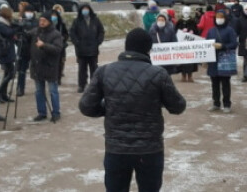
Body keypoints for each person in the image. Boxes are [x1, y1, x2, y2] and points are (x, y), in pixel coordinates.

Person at [79, 28, 186, 192]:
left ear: (126, 46)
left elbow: (86, 106)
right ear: (148, 49)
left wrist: (107, 108)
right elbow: (178, 106)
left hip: (116, 148)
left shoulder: (104, 71)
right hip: (150, 149)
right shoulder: (158, 74)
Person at [29, 13, 64, 123]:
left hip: (50, 66)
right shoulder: (36, 32)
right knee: (39, 91)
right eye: (40, 20)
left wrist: (44, 45)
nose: (41, 22)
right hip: (37, 65)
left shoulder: (56, 34)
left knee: (53, 91)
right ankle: (42, 112)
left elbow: (57, 49)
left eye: (44, 20)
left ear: (49, 21)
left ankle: (56, 112)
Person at [205, 11, 238, 113]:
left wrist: (223, 46)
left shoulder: (230, 30)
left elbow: (234, 44)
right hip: (213, 61)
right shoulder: (211, 31)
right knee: (214, 84)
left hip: (224, 60)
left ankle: (227, 104)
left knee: (225, 84)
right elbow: (206, 45)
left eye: (221, 17)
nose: (219, 19)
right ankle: (216, 103)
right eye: (217, 17)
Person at [70, 5, 104, 93]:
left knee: (94, 68)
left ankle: (94, 85)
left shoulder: (95, 20)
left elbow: (101, 31)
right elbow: (72, 33)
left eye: (87, 9)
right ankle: (82, 85)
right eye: (83, 9)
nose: (85, 11)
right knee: (82, 69)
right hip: (81, 50)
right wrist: (77, 42)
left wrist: (98, 41)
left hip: (93, 49)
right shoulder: (77, 21)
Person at [0, 6, 18, 103]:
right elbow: (8, 33)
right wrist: (16, 27)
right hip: (5, 51)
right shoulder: (0, 23)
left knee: (7, 73)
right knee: (11, 73)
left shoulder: (6, 23)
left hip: (8, 50)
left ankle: (3, 94)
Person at [14, 4, 38, 97]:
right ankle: (20, 88)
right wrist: (19, 41)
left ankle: (40, 87)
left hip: (34, 48)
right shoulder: (20, 21)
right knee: (21, 70)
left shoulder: (36, 22)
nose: (29, 13)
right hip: (23, 48)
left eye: (31, 12)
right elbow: (16, 34)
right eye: (28, 11)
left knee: (37, 69)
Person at [176, 7, 201, 82]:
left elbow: (196, 31)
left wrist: (192, 31)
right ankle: (183, 76)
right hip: (181, 45)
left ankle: (190, 76)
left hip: (190, 45)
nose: (186, 14)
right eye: (185, 12)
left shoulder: (192, 21)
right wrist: (180, 31)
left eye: (187, 12)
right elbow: (175, 31)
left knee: (191, 61)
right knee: (182, 60)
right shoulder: (179, 21)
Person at [51, 9, 70, 85]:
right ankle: (52, 77)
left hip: (60, 46)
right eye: (52, 16)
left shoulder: (61, 24)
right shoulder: (48, 24)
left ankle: (58, 78)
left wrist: (63, 38)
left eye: (55, 16)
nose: (53, 17)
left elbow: (66, 34)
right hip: (50, 46)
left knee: (60, 63)